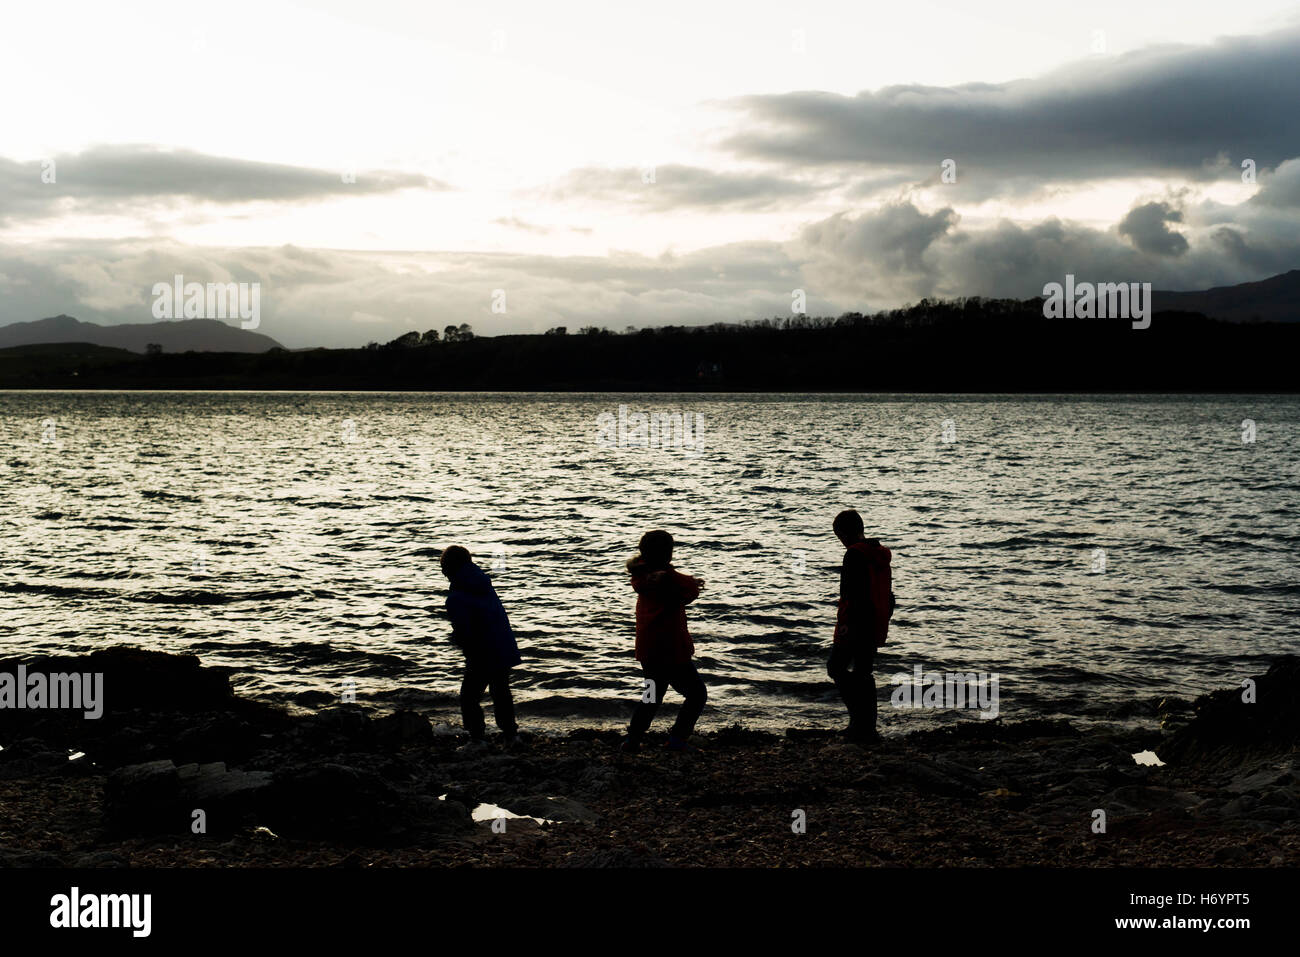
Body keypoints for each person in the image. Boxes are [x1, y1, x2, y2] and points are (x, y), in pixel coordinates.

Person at [622, 530, 707, 753]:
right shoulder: (665, 577)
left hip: (649, 652)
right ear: (667, 553)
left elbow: (684, 588)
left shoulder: (641, 576)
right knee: (697, 694)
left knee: (651, 696)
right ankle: (677, 739)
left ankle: (632, 740)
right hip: (670, 652)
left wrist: (688, 582)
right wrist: (691, 582)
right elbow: (689, 591)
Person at [439, 545, 522, 750]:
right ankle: (511, 737)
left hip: (482, 651)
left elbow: (465, 633)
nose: (442, 571)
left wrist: (460, 643)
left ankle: (477, 739)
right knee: (501, 691)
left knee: (468, 696)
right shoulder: (483, 583)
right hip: (503, 646)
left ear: (450, 568)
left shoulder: (456, 597)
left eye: (443, 567)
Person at [829, 509, 895, 745]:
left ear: (843, 533)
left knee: (835, 667)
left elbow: (850, 594)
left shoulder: (854, 555)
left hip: (856, 623)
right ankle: (867, 727)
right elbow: (889, 595)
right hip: (876, 621)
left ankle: (858, 723)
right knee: (863, 673)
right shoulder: (879, 554)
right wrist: (883, 618)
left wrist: (846, 625)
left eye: (839, 535)